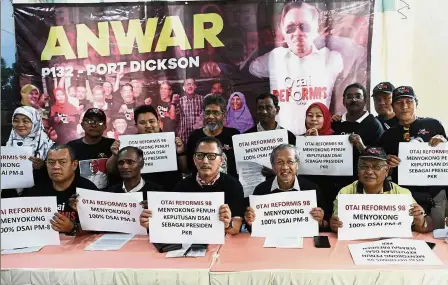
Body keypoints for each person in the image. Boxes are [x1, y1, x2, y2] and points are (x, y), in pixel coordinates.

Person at [249, 2, 343, 135]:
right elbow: (249, 68)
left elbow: (357, 54)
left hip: (318, 139)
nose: (298, 33)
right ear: (282, 29)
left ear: (316, 28)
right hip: (282, 139)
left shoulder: (331, 59)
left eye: (304, 27)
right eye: (290, 27)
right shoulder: (275, 57)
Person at [139, 137, 245, 235]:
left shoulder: (233, 185)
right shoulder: (183, 186)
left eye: (211, 156)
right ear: (194, 160)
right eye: (200, 155)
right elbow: (171, 224)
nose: (205, 161)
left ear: (221, 160)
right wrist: (152, 223)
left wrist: (227, 225)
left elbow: (236, 227)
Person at [378, 86, 447, 229]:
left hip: (435, 194)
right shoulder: (388, 135)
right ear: (393, 107)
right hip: (404, 196)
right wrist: (388, 163)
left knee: (436, 235)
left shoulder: (433, 124)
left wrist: (444, 143)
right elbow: (382, 169)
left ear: (416, 103)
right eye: (399, 103)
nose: (404, 107)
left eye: (409, 102)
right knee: (407, 235)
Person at [330, 147, 433, 234]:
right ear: (358, 171)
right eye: (363, 166)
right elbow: (335, 224)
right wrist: (334, 225)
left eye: (376, 167)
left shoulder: (401, 193)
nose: (369, 172)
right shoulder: (345, 193)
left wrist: (420, 220)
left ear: (386, 171)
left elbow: (426, 226)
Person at [244, 144, 328, 230]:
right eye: (279, 162)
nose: (285, 167)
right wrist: (250, 222)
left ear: (297, 165)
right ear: (273, 166)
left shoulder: (311, 188)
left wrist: (320, 221)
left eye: (290, 162)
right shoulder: (261, 190)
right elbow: (252, 228)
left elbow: (326, 225)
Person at [106, 105, 187, 191]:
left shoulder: (172, 140)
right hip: (139, 193)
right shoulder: (128, 143)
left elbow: (184, 169)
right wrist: (115, 155)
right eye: (143, 123)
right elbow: (110, 170)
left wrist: (181, 152)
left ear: (159, 122)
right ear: (136, 126)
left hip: (168, 192)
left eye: (152, 121)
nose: (148, 125)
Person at [22, 144, 98, 235]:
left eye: (62, 162)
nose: (56, 167)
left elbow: (99, 227)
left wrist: (72, 228)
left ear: (74, 164)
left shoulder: (88, 189)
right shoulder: (36, 191)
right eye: (51, 162)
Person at [331, 83, 384, 188]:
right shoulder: (335, 123)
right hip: (335, 182)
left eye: (358, 96)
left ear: (365, 101)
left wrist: (362, 147)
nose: (353, 100)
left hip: (362, 184)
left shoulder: (374, 125)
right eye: (349, 97)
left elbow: (381, 157)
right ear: (343, 101)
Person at [2, 106, 55, 198]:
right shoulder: (5, 145)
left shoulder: (49, 147)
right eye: (16, 120)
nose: (20, 124)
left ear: (35, 122)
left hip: (39, 199)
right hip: (10, 201)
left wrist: (43, 166)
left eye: (25, 121)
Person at [187, 94, 240, 178]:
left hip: (229, 187)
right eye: (207, 113)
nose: (211, 117)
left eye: (216, 113)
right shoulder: (194, 136)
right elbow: (188, 168)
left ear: (224, 115)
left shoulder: (234, 135)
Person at [67, 108, 115, 188]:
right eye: (89, 121)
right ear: (82, 125)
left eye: (99, 122)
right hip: (80, 196)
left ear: (105, 127)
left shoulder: (113, 145)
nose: (94, 124)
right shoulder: (71, 147)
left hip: (109, 197)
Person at [175, 78, 203, 143]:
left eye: (192, 84)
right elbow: (175, 120)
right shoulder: (179, 101)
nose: (190, 86)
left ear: (195, 86)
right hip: (183, 138)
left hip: (198, 137)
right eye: (188, 84)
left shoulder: (202, 99)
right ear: (184, 87)